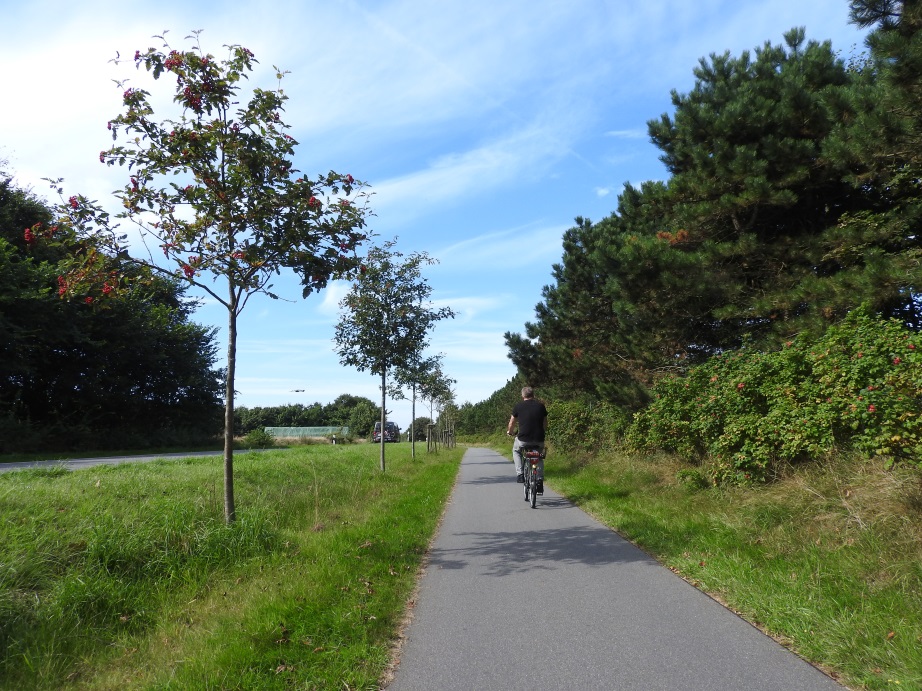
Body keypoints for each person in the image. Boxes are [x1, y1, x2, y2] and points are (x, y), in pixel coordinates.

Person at [506, 386, 548, 493]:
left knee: (516, 451)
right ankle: (539, 479)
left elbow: (512, 423)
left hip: (523, 439)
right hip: (539, 439)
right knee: (539, 457)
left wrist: (510, 432)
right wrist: (542, 432)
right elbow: (545, 423)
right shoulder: (541, 406)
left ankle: (520, 474)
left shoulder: (518, 406)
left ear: (522, 395)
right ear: (533, 395)